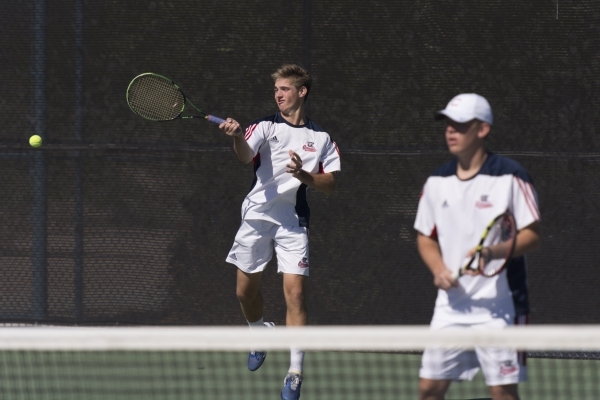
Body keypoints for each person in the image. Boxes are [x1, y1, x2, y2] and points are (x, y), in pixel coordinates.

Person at [218, 64, 341, 400]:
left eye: (285, 88)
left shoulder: (322, 139)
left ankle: (296, 370)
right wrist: (236, 137)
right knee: (245, 293)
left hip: (293, 222)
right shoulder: (265, 126)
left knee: (296, 294)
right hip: (257, 216)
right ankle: (260, 333)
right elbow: (246, 156)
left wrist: (304, 176)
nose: (278, 94)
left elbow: (329, 184)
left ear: (302, 91)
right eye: (276, 90)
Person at [413, 93, 541, 400]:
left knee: (502, 393)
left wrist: (492, 252)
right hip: (451, 307)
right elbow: (425, 236)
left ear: (482, 129)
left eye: (460, 124)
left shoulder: (511, 176)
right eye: (448, 124)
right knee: (429, 391)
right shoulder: (436, 181)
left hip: (501, 308)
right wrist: (438, 268)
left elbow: (532, 234)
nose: (451, 131)